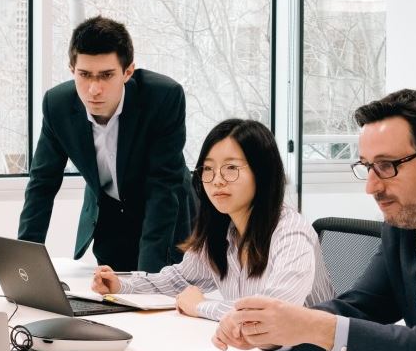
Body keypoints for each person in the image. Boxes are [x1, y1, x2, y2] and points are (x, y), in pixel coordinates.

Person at [213, 89, 416, 351]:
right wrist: (276, 330)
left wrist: (316, 327)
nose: (371, 187)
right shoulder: (407, 214)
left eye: (386, 166)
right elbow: (362, 307)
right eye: (367, 167)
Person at [91, 119, 333, 320]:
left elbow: (272, 313)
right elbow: (179, 280)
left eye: (231, 168)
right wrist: (121, 285)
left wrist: (201, 306)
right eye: (208, 169)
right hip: (250, 350)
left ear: (262, 173)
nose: (217, 180)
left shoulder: (290, 232)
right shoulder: (224, 230)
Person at [18, 16, 196, 273]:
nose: (94, 89)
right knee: (110, 292)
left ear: (128, 72)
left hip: (166, 218)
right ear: (72, 70)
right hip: (111, 220)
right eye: (84, 75)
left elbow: (163, 188)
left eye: (106, 75)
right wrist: (24, 267)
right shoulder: (57, 105)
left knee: (158, 290)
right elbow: (41, 185)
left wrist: (148, 278)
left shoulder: (162, 98)